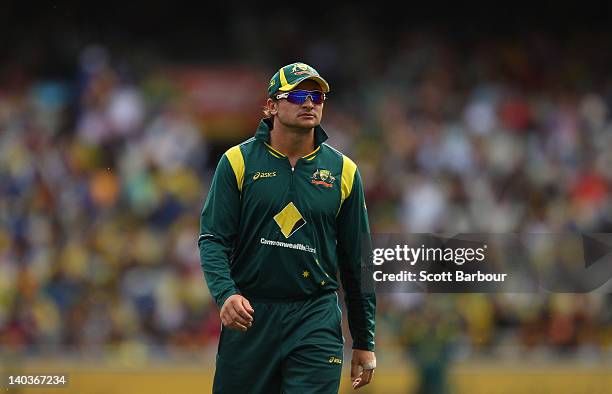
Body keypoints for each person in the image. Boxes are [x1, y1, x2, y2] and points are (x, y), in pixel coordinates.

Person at [199, 62, 376, 393]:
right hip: (251, 316)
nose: (309, 102)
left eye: (317, 95)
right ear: (271, 106)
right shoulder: (237, 163)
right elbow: (212, 239)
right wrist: (225, 294)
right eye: (296, 95)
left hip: (315, 316)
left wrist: (364, 341)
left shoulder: (344, 172)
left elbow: (357, 263)